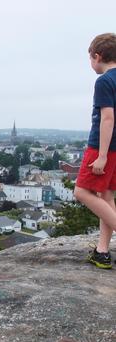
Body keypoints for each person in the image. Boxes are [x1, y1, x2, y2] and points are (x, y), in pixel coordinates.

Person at [74, 33, 116, 269]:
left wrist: (101, 155)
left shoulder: (104, 81)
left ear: (97, 56)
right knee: (107, 196)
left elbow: (107, 118)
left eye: (90, 59)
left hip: (104, 147)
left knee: (81, 192)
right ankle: (102, 251)